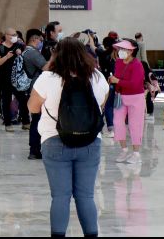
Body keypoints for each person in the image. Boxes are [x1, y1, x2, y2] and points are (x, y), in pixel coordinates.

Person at [28, 38, 109, 238]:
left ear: (57, 55)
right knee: (86, 196)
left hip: (55, 141)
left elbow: (32, 107)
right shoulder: (97, 77)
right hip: (90, 142)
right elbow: (101, 108)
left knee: (60, 197)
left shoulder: (47, 78)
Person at [110, 39, 146, 165]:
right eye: (119, 49)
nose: (120, 51)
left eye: (123, 49)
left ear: (131, 51)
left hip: (136, 97)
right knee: (117, 122)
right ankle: (124, 149)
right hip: (120, 97)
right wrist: (114, 80)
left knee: (135, 125)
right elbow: (117, 77)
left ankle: (136, 153)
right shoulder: (119, 62)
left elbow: (135, 84)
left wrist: (117, 81)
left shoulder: (137, 65)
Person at [0, 28, 28, 132]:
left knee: (22, 99)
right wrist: (7, 57)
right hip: (5, 79)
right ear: (7, 35)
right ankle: (8, 123)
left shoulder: (19, 45)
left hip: (18, 79)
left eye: (15, 34)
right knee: (6, 101)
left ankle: (26, 122)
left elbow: (25, 58)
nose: (14, 36)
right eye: (12, 35)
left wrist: (20, 53)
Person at [22, 29, 48, 160]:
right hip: (36, 89)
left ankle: (35, 149)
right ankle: (34, 150)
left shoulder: (26, 51)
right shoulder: (32, 53)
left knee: (36, 120)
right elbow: (47, 67)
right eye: (40, 40)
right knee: (37, 120)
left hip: (31, 89)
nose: (41, 42)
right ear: (34, 39)